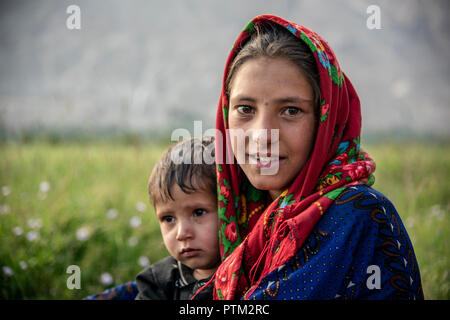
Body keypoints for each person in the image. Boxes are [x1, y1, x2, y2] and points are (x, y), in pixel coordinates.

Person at [193, 15, 424, 300]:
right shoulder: (242, 213)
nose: (263, 134)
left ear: (326, 120)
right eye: (245, 109)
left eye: (290, 110)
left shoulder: (358, 213)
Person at [135, 136, 220, 300]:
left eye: (198, 212)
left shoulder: (254, 277)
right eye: (168, 219)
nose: (181, 233)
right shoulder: (158, 284)